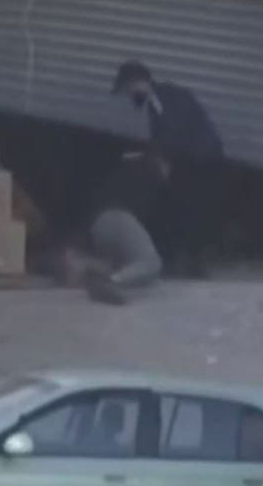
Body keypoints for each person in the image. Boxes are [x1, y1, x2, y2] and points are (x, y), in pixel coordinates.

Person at [111, 60, 224, 277]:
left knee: (186, 209)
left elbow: (170, 135)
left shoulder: (164, 100)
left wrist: (160, 162)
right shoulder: (159, 99)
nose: (128, 95)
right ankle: (186, 261)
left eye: (127, 90)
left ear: (137, 83)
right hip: (196, 158)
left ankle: (188, 263)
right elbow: (162, 138)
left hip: (201, 160)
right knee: (184, 208)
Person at [82, 153, 168, 305]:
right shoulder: (152, 169)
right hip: (119, 217)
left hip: (98, 224)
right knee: (151, 263)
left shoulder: (128, 165)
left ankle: (103, 276)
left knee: (132, 266)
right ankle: (110, 281)